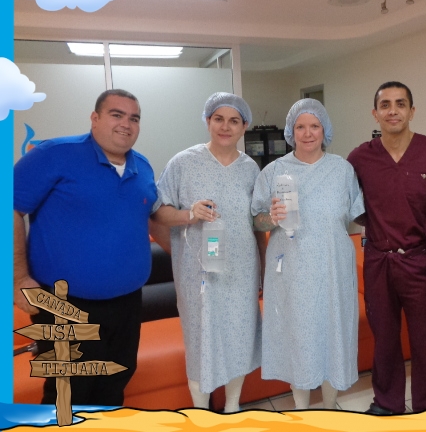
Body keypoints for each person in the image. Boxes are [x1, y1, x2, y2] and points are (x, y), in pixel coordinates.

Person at [13, 89, 159, 406]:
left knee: (115, 381)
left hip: (127, 303)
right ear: (95, 118)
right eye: (116, 115)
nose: (126, 124)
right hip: (64, 304)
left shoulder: (143, 167)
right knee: (69, 391)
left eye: (134, 118)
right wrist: (18, 279)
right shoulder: (54, 154)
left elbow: (152, 218)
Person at [347, 82, 426, 414]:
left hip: (419, 260)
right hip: (378, 259)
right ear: (375, 113)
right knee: (385, 338)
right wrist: (373, 221)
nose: (393, 110)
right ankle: (387, 402)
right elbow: (349, 201)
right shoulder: (361, 157)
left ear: (412, 111)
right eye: (385, 105)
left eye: (400, 103)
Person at [152, 92, 263, 413]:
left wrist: (263, 269)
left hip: (241, 271)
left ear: (244, 126)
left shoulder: (250, 169)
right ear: (207, 121)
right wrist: (189, 214)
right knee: (201, 341)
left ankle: (232, 407)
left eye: (233, 121)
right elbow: (157, 212)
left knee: (240, 337)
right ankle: (201, 413)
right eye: (218, 119)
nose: (225, 127)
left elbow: (257, 224)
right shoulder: (183, 163)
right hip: (198, 275)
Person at [251, 98, 364, 410]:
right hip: (293, 269)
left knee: (333, 333)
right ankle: (301, 410)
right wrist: (271, 218)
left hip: (333, 267)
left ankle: (329, 407)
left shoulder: (342, 170)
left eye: (314, 125)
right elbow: (256, 220)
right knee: (299, 336)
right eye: (300, 126)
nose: (308, 133)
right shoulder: (274, 171)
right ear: (291, 131)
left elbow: (358, 215)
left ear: (324, 129)